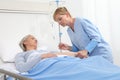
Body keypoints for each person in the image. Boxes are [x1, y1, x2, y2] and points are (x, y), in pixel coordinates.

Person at [15, 34, 82, 73]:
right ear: (25, 42)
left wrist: (76, 54)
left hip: (58, 60)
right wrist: (41, 56)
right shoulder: (21, 54)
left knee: (79, 64)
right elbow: (22, 68)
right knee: (74, 68)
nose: (36, 40)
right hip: (45, 64)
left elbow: (59, 54)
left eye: (35, 38)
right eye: (32, 38)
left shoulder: (43, 51)